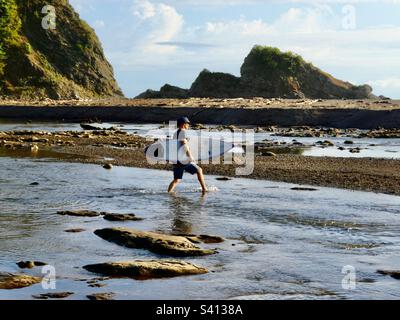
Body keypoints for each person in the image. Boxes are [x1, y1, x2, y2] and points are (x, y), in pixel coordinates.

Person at [168, 116, 207, 194]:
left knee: (177, 180)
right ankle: (204, 189)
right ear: (183, 124)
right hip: (182, 159)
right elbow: (184, 145)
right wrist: (190, 156)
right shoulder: (182, 132)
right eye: (187, 124)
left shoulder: (176, 132)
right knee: (199, 170)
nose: (188, 125)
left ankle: (169, 193)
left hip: (176, 160)